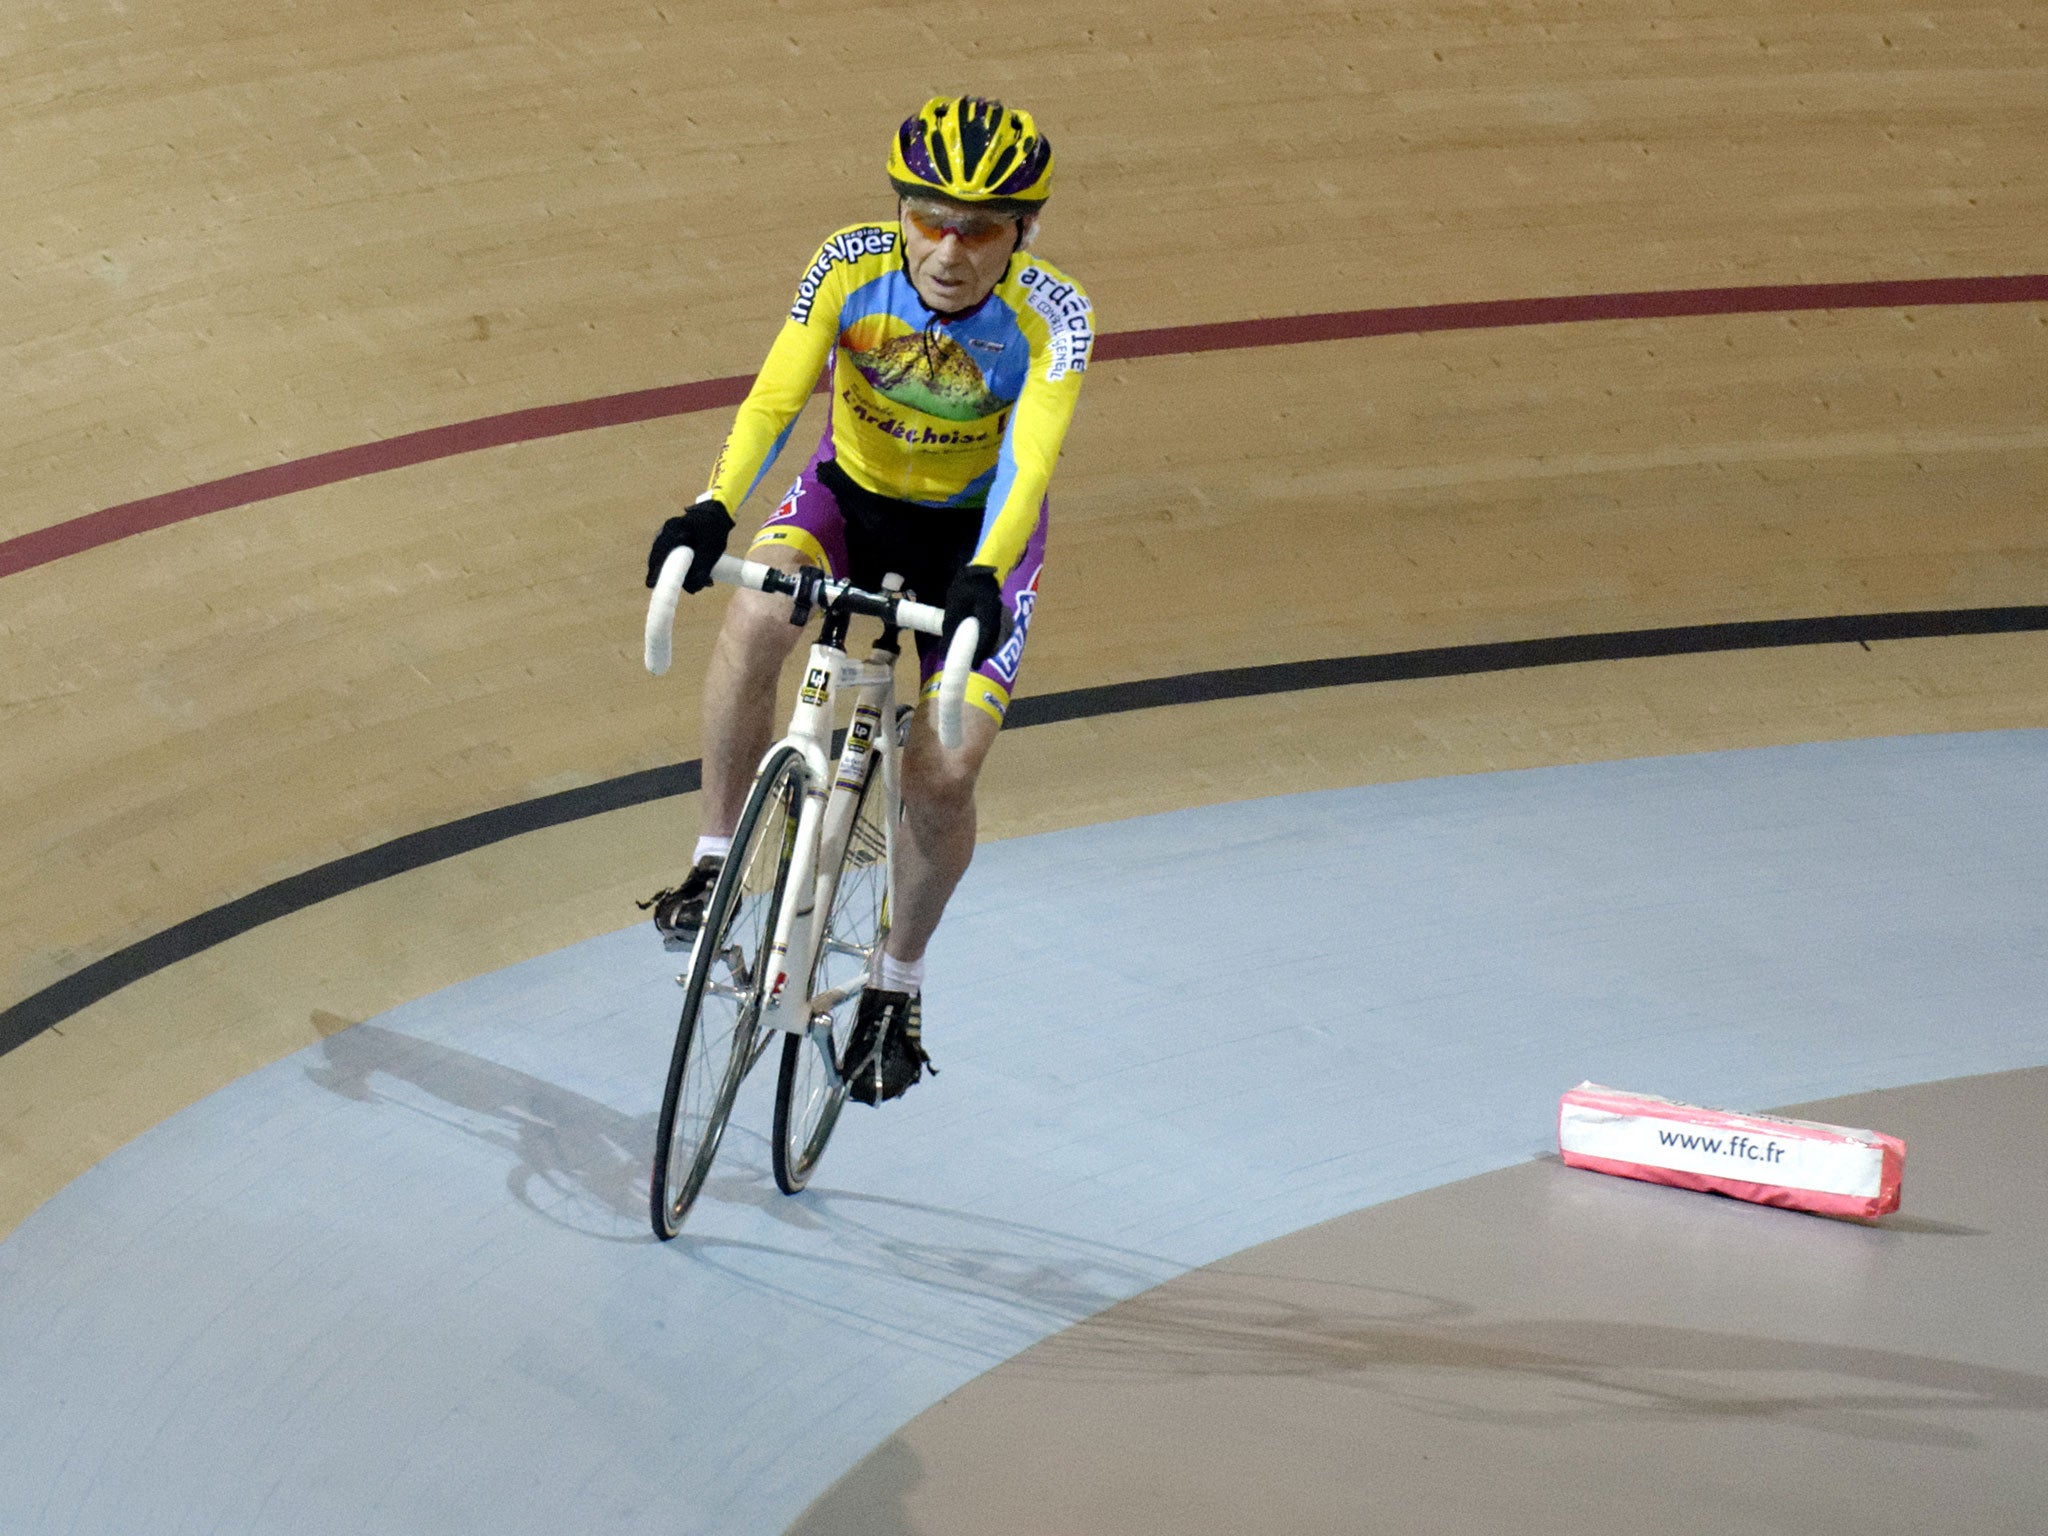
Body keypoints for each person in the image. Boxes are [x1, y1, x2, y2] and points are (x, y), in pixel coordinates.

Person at [641, 96, 1094, 1104]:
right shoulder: (848, 263)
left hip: (976, 548)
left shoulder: (1054, 315)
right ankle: (716, 862)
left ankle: (896, 982)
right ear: (899, 212)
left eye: (978, 229)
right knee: (757, 612)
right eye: (927, 219)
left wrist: (982, 575)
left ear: (1023, 230)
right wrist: (712, 508)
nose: (948, 249)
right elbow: (773, 396)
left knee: (941, 775)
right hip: (847, 499)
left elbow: (1030, 461)